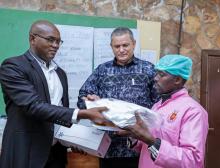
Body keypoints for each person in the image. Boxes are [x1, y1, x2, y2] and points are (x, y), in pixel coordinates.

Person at [0, 20, 109, 168]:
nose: (56, 45)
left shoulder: (60, 73)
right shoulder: (13, 67)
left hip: (56, 154)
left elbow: (59, 113)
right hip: (26, 152)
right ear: (33, 39)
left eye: (58, 41)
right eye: (50, 40)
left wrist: (73, 140)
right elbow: (33, 106)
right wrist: (84, 113)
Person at [77, 27, 159, 168]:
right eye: (117, 46)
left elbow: (159, 104)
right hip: (109, 147)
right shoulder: (102, 70)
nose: (121, 50)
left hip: (140, 146)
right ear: (111, 47)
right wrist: (91, 102)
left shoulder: (148, 69)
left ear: (133, 43)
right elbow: (82, 99)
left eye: (125, 45)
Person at [118, 54, 209, 168]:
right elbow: (146, 148)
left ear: (177, 79)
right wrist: (134, 135)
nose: (155, 78)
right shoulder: (157, 106)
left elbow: (193, 160)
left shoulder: (193, 111)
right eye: (156, 73)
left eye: (162, 74)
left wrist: (151, 140)